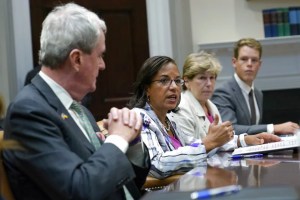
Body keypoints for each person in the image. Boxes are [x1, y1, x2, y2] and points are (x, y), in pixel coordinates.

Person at [2, 3, 149, 200]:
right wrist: (117, 140)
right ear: (76, 59)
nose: (103, 65)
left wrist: (131, 143)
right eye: (100, 55)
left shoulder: (77, 108)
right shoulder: (29, 112)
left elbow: (123, 185)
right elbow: (79, 191)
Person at [127, 56, 238, 179]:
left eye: (177, 81)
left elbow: (195, 146)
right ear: (146, 88)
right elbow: (156, 165)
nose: (174, 87)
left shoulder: (169, 120)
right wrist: (209, 142)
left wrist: (244, 140)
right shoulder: (139, 117)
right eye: (164, 81)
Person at [171, 51, 281, 153]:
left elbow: (222, 142)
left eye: (212, 78)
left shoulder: (211, 105)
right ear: (186, 81)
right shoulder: (182, 107)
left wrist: (248, 139)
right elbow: (189, 150)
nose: (209, 83)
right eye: (202, 78)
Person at [211, 38, 299, 135]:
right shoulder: (223, 92)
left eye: (254, 60)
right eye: (244, 59)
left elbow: (255, 130)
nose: (249, 64)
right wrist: (273, 128)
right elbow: (229, 129)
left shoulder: (258, 93)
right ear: (234, 62)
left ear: (259, 64)